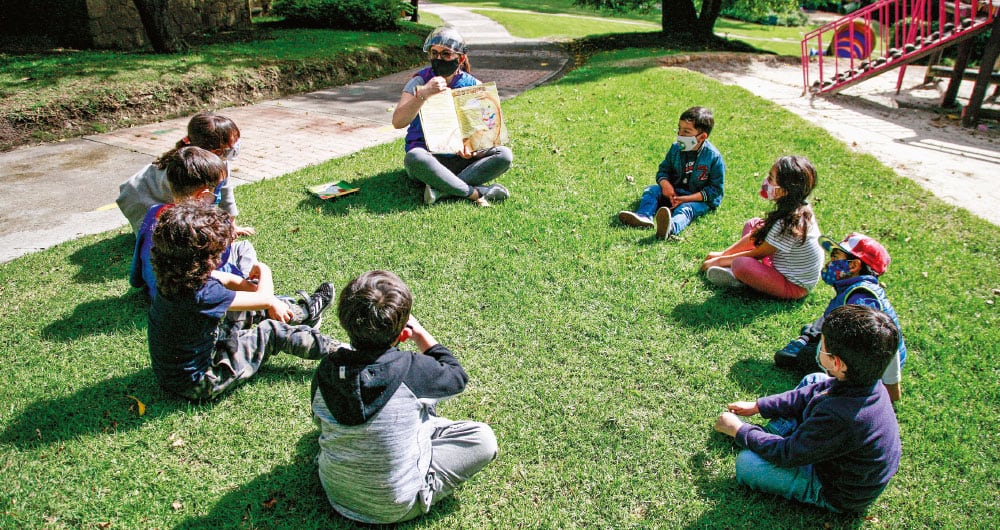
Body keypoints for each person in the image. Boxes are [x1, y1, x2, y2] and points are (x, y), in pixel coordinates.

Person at [312, 270, 498, 524]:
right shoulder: (413, 369)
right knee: (483, 439)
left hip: (336, 494)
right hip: (396, 506)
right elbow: (457, 376)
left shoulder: (326, 370)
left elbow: (318, 421)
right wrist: (421, 333)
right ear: (403, 334)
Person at [714, 305, 902, 514]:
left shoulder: (839, 416)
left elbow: (789, 453)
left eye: (822, 342)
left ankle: (771, 438)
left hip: (834, 489)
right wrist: (759, 406)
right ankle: (772, 435)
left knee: (747, 464)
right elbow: (814, 390)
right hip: (832, 450)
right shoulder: (867, 382)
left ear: (837, 363)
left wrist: (739, 431)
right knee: (815, 379)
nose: (818, 343)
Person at [147, 202, 339, 401]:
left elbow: (227, 280)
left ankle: (303, 313)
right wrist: (264, 271)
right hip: (201, 381)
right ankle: (341, 350)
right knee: (271, 332)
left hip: (178, 371)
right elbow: (263, 298)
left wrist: (259, 294)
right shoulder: (202, 294)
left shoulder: (175, 275)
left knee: (248, 307)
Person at [775, 232, 907, 401]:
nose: (830, 263)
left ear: (853, 266)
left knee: (800, 357)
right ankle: (808, 339)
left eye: (836, 258)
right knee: (820, 326)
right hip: (865, 359)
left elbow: (876, 346)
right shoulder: (855, 289)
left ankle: (807, 346)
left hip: (871, 370)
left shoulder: (862, 300)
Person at [391, 26, 513, 207]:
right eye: (434, 53)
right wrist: (423, 94)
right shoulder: (420, 81)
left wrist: (473, 149)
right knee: (414, 157)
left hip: (461, 160)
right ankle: (475, 192)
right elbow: (398, 122)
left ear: (460, 58)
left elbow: (484, 134)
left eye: (446, 54)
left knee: (504, 155)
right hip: (428, 159)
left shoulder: (473, 86)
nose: (438, 59)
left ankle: (440, 189)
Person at [130, 146, 256, 300]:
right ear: (202, 195)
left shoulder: (154, 211)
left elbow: (138, 255)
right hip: (198, 295)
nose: (217, 196)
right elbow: (217, 266)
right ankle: (251, 282)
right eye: (216, 190)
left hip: (156, 291)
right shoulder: (205, 225)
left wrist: (137, 282)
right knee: (244, 248)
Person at [701, 155, 824, 300]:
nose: (766, 182)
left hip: (793, 286)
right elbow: (758, 236)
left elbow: (759, 253)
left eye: (771, 179)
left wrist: (720, 261)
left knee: (741, 264)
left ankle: (740, 278)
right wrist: (723, 254)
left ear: (784, 190)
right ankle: (740, 273)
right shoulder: (798, 206)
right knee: (753, 224)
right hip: (780, 263)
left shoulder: (789, 223)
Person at [117, 111, 253, 236]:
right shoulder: (182, 169)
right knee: (160, 236)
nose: (235, 149)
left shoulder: (220, 161)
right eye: (230, 146)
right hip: (138, 196)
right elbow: (185, 205)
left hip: (164, 195)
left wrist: (232, 226)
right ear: (215, 151)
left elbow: (226, 193)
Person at [618, 106, 725, 239]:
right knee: (652, 191)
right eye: (679, 129)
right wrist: (665, 185)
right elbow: (663, 170)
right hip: (675, 191)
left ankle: (670, 227)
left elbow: (715, 190)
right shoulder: (676, 148)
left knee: (686, 209)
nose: (680, 134)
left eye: (686, 131)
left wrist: (685, 199)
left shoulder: (713, 157)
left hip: (697, 199)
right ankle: (644, 217)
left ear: (702, 136)